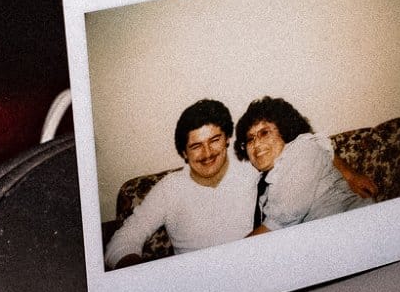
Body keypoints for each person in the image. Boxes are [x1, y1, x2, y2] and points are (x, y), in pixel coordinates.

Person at [103, 99, 260, 268]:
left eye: (214, 140)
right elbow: (122, 239)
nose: (207, 153)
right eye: (196, 146)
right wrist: (138, 276)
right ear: (184, 153)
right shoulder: (170, 188)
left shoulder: (252, 167)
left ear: (227, 139)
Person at [234, 96, 370, 233]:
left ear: (284, 130)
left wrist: (232, 253)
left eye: (264, 133)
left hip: (357, 229)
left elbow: (276, 226)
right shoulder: (266, 183)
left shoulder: (302, 149)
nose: (256, 144)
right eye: (250, 139)